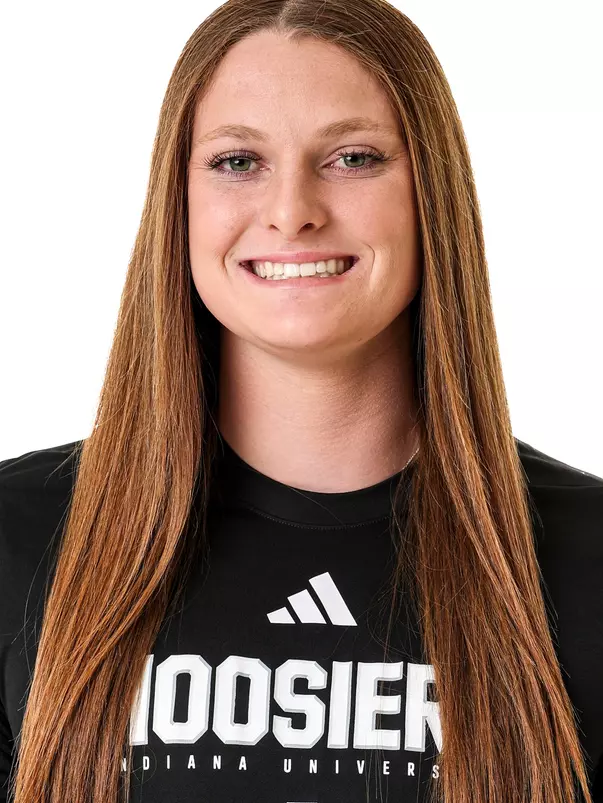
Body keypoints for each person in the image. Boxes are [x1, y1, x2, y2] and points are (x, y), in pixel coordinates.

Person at [0, 1, 601, 801]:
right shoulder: (16, 536)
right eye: (237, 161)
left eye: (352, 157)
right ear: (175, 200)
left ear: (434, 194)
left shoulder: (586, 556)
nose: (292, 210)